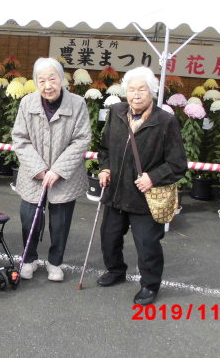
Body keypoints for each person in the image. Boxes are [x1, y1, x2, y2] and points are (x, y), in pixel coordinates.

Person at [97, 66, 187, 305]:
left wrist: (153, 177)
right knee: (109, 238)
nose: (136, 95)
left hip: (144, 197)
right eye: (131, 89)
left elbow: (178, 164)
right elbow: (104, 148)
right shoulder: (116, 112)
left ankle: (150, 285)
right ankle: (116, 270)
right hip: (116, 192)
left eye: (142, 90)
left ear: (152, 92)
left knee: (147, 245)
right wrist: (104, 168)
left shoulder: (165, 121)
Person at [12, 57, 91, 282]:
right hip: (33, 175)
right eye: (42, 80)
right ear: (36, 82)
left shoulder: (77, 103)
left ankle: (55, 262)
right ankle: (29, 258)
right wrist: (39, 169)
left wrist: (57, 170)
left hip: (65, 177)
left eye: (52, 79)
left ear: (62, 79)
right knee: (29, 219)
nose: (47, 85)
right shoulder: (27, 103)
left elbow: (82, 139)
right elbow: (20, 138)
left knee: (60, 223)